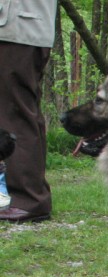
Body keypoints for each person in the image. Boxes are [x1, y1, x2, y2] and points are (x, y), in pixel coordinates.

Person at [0, 0, 57, 223]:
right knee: (21, 111)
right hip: (20, 27)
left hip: (17, 27)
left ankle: (27, 200)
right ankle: (28, 196)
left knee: (15, 113)